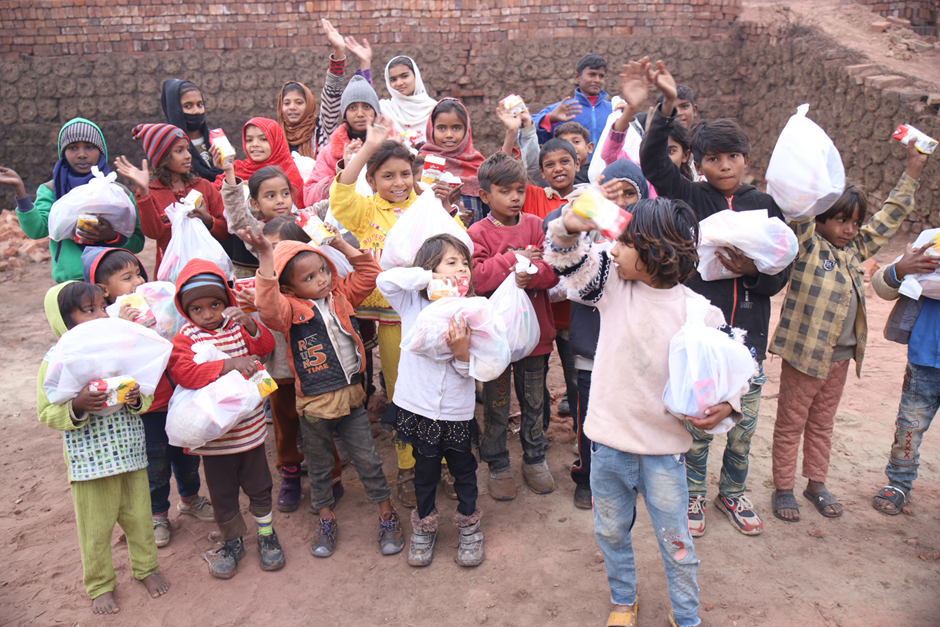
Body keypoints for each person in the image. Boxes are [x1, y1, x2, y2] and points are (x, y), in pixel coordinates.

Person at [545, 197, 741, 627]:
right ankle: (623, 601)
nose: (613, 249)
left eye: (625, 242)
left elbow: (734, 370)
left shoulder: (699, 312)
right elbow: (569, 260)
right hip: (608, 446)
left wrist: (728, 404)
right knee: (610, 531)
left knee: (676, 541)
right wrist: (568, 226)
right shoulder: (613, 286)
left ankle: (685, 615)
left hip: (664, 454)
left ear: (657, 251)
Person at [638, 57, 789, 537]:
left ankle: (733, 492)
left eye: (732, 157)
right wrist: (666, 106)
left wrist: (754, 272)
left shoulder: (763, 205)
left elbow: (781, 268)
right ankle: (693, 495)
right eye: (713, 159)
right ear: (698, 163)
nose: (724, 166)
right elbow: (652, 161)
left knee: (743, 427)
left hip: (750, 336)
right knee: (699, 423)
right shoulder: (690, 197)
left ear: (746, 158)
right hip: (703, 337)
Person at [770, 142, 928, 522]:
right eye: (841, 220)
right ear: (820, 217)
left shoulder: (854, 250)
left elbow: (889, 218)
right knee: (791, 424)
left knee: (822, 424)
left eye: (855, 223)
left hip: (840, 360)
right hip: (804, 357)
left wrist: (913, 170)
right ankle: (783, 489)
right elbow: (801, 211)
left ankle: (816, 483)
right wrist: (810, 167)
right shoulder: (806, 246)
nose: (849, 229)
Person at [241, 222, 406, 559]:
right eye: (309, 277)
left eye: (323, 270)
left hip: (352, 399)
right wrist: (265, 257)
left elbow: (369, 273)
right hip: (315, 406)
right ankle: (326, 518)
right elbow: (268, 306)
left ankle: (387, 515)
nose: (321, 279)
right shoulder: (288, 310)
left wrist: (340, 246)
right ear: (289, 287)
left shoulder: (340, 295)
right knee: (318, 467)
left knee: (369, 460)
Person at [330, 119, 465, 506]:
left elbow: (458, 245)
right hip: (393, 321)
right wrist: (367, 148)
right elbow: (341, 194)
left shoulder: (427, 206)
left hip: (436, 313)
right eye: (387, 176)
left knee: (443, 386)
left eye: (405, 173)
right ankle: (409, 465)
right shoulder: (365, 211)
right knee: (402, 389)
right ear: (371, 181)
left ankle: (445, 462)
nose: (398, 182)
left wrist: (441, 204)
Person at [38, 281, 170, 614]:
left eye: (101, 307)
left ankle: (147, 568)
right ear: (63, 320)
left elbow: (145, 394)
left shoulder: (120, 351)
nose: (101, 315)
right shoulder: (55, 360)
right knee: (95, 530)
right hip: (90, 465)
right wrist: (77, 405)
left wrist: (136, 396)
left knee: (140, 519)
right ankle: (99, 585)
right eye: (89, 310)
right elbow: (46, 412)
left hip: (130, 454)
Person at [81, 247, 215, 547]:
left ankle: (190, 498)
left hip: (177, 396)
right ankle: (157, 515)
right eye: (127, 277)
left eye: (139, 274)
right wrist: (126, 328)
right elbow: (111, 363)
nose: (138, 281)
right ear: (104, 290)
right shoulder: (107, 323)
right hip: (146, 407)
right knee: (155, 463)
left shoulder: (156, 303)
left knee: (187, 453)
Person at [542, 158, 649, 509]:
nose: (621, 203)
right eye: (613, 195)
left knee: (631, 414)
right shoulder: (588, 233)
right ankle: (587, 477)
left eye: (630, 194)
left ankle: (628, 477)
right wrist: (585, 208)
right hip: (591, 350)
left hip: (634, 351)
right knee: (589, 417)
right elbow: (553, 232)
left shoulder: (648, 241)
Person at [167, 260, 284, 579]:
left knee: (259, 486)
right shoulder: (186, 336)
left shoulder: (236, 326)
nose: (207, 314)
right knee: (222, 493)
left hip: (249, 431)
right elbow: (184, 373)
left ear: (226, 301)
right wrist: (230, 364)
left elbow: (266, 346)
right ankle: (232, 541)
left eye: (215, 305)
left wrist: (250, 324)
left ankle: (266, 534)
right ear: (185, 310)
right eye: (197, 309)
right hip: (216, 439)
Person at [377, 234, 484, 567]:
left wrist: (462, 353)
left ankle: (469, 524)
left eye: (465, 263)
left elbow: (472, 369)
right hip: (419, 407)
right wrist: (429, 279)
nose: (461, 269)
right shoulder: (411, 303)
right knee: (424, 473)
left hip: (455, 410)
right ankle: (424, 526)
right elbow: (385, 280)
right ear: (429, 268)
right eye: (451, 262)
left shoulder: (470, 310)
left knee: (464, 470)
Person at [468, 151, 559, 500]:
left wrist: (531, 276)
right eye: (505, 191)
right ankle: (498, 462)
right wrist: (514, 259)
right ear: (485, 195)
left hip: (535, 337)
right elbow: (477, 277)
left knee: (534, 401)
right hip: (496, 340)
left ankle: (534, 458)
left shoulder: (537, 225)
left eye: (519, 190)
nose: (515, 197)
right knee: (496, 403)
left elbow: (554, 270)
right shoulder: (477, 233)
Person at [1, 118, 145, 283]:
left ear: (101, 151)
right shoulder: (51, 190)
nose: (82, 154)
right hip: (73, 283)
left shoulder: (118, 194)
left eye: (89, 147)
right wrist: (19, 189)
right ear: (63, 152)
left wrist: (111, 235)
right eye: (73, 147)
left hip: (113, 281)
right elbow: (36, 230)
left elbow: (137, 243)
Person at [870, 243, 940, 515]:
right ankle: (899, 483)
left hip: (925, 354)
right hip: (925, 356)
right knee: (909, 426)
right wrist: (900, 269)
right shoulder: (931, 245)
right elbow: (882, 286)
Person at [114, 123, 229, 276]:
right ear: (162, 156)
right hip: (172, 274)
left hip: (209, 270)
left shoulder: (204, 186)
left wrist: (207, 219)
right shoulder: (151, 193)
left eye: (187, 149)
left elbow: (225, 231)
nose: (188, 155)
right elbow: (154, 233)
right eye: (179, 150)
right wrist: (144, 190)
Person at [303, 75, 381, 205]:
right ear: (345, 113)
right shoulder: (330, 153)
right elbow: (309, 198)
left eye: (366, 106)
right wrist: (343, 170)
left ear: (375, 111)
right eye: (352, 108)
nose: (360, 114)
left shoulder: (388, 146)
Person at [419, 98, 488, 223]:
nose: (449, 135)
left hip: (474, 234)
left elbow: (491, 214)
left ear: (466, 129)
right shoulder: (422, 164)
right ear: (431, 129)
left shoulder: (479, 165)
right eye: (441, 128)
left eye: (456, 128)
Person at [212, 118, 305, 210]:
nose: (255, 144)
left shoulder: (288, 174)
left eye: (263, 139)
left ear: (276, 141)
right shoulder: (236, 168)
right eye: (249, 140)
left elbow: (293, 213)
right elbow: (215, 201)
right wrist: (229, 173)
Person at [532, 53, 612, 149]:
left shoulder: (613, 110)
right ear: (577, 77)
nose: (597, 80)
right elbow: (526, 132)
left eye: (601, 76)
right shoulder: (561, 110)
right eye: (592, 74)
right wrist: (549, 119)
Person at [160, 79, 223, 183]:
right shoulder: (168, 147)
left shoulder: (217, 138)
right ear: (174, 109)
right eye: (188, 106)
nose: (196, 111)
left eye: (199, 105)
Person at [380, 55, 438, 147]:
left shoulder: (434, 109)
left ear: (416, 76)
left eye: (404, 76)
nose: (399, 83)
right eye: (393, 79)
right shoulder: (384, 109)